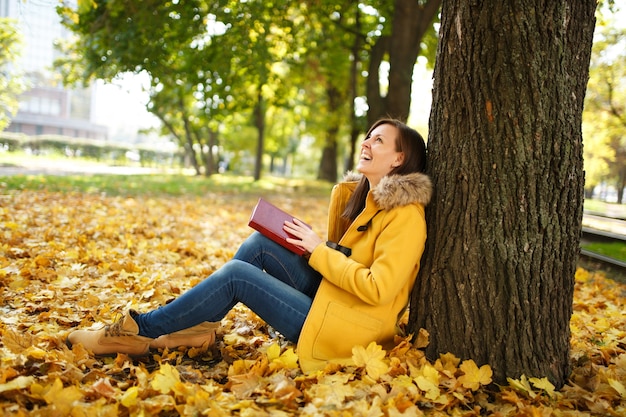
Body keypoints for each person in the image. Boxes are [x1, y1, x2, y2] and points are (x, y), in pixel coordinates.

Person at [67, 118, 432, 373]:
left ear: (399, 159)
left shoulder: (406, 216)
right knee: (261, 242)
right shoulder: (362, 199)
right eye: (368, 137)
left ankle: (137, 332)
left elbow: (379, 289)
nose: (366, 143)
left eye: (379, 141)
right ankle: (193, 330)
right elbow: (349, 259)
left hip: (345, 328)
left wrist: (318, 250)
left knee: (238, 276)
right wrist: (314, 248)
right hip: (331, 301)